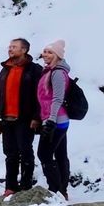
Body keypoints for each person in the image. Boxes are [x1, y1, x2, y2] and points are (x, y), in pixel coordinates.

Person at [0, 38, 40, 195]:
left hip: (25, 119)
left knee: (25, 152)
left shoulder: (34, 69)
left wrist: (37, 117)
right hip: (6, 118)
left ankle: (25, 185)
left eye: (14, 47)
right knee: (10, 153)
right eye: (9, 46)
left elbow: (40, 95)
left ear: (24, 50)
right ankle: (10, 187)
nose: (10, 49)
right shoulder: (5, 69)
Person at [36, 39, 73, 197]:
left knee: (44, 154)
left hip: (57, 120)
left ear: (58, 55)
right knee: (60, 154)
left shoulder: (57, 73)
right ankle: (62, 189)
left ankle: (55, 189)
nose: (46, 55)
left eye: (50, 52)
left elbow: (57, 98)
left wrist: (50, 120)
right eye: (44, 51)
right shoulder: (50, 71)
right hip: (57, 120)